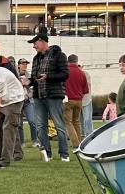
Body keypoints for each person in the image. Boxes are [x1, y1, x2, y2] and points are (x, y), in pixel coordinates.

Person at [28, 29, 69, 162]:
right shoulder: (36, 58)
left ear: (42, 41)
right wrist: (29, 81)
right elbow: (35, 78)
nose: (33, 46)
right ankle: (47, 155)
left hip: (54, 96)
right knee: (40, 126)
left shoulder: (59, 55)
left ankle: (64, 154)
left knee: (59, 125)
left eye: (35, 43)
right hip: (38, 96)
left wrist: (48, 77)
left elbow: (65, 74)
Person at [64, 54, 91, 145]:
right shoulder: (81, 73)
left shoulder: (65, 72)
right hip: (79, 101)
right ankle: (80, 142)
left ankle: (75, 143)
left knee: (68, 122)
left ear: (68, 61)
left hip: (68, 100)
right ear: (76, 61)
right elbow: (86, 90)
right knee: (77, 121)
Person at [14, 59, 35, 144]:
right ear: (18, 65)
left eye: (26, 64)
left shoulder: (30, 76)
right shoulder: (14, 76)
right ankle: (21, 142)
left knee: (32, 121)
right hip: (18, 101)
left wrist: (27, 87)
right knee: (19, 124)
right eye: (23, 64)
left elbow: (34, 89)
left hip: (28, 101)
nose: (25, 66)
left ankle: (35, 140)